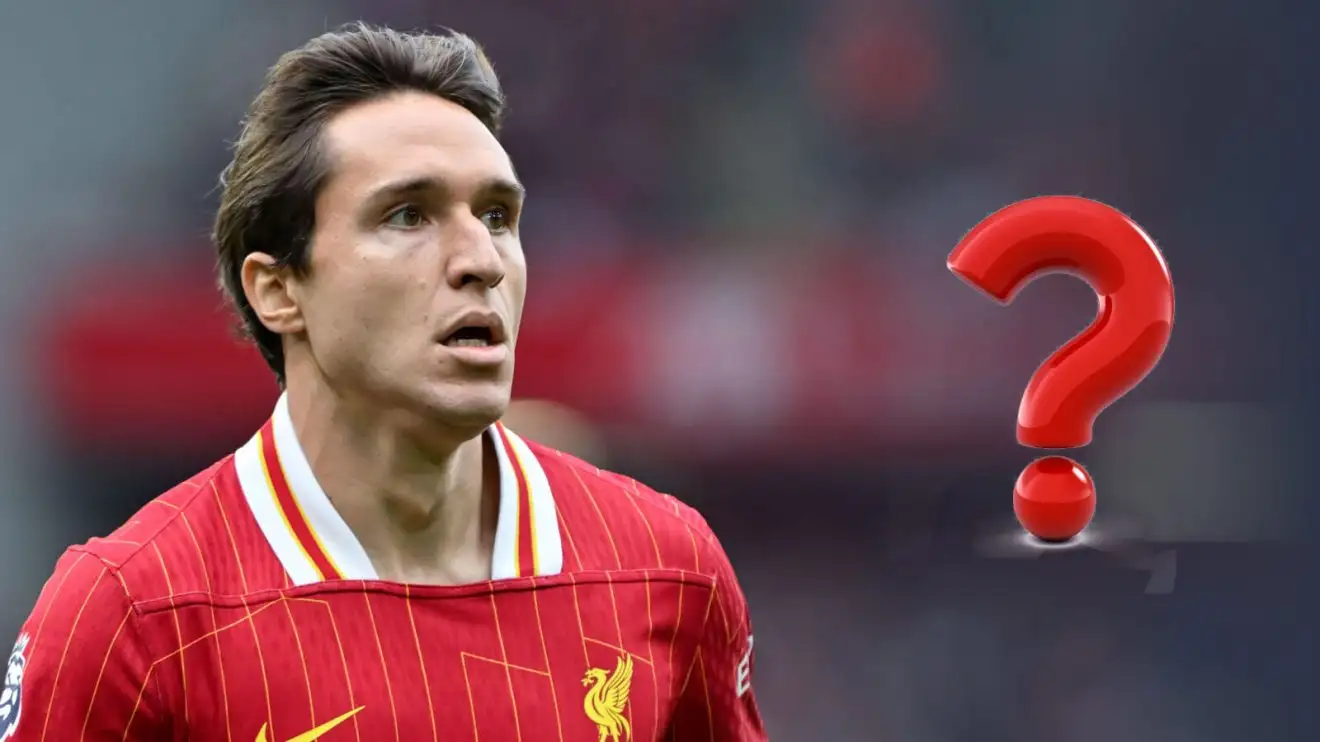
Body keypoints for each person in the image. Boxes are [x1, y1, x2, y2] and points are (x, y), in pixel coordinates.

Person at [2, 23, 765, 741]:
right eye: (408, 215)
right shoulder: (133, 616)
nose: (481, 260)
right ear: (278, 290)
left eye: (498, 216)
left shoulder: (668, 571)